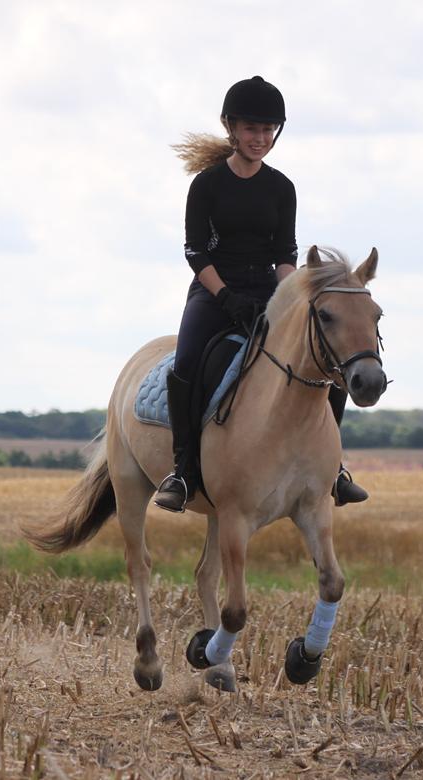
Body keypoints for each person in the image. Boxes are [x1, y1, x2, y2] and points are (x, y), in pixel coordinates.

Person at [153, 75, 368, 513]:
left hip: (268, 291)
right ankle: (182, 470)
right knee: (189, 362)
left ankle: (335, 468)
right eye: (252, 129)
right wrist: (227, 297)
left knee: (329, 359)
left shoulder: (281, 187)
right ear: (231, 128)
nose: (260, 138)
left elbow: (284, 253)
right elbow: (195, 252)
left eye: (268, 129)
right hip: (214, 291)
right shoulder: (207, 185)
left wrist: (288, 296)